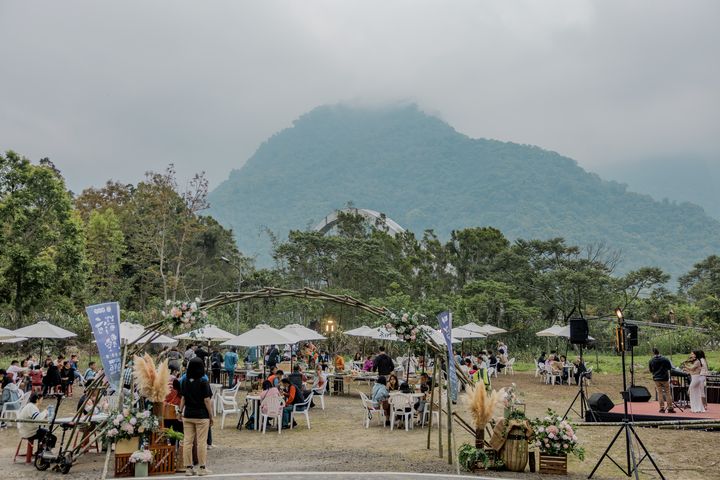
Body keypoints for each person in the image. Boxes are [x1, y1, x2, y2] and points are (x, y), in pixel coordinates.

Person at [179, 357, 213, 476]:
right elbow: (207, 400)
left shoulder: (185, 381)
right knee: (201, 442)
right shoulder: (204, 382)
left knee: (187, 442)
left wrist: (180, 411)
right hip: (201, 416)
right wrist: (211, 415)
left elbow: (183, 398)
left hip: (188, 415)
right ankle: (202, 468)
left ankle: (188, 468)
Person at [649, 348, 674, 413]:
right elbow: (669, 368)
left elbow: (651, 370)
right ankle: (670, 408)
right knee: (668, 392)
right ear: (659, 352)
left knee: (660, 393)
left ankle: (661, 408)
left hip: (656, 378)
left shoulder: (651, 360)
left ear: (653, 353)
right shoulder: (665, 359)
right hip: (665, 378)